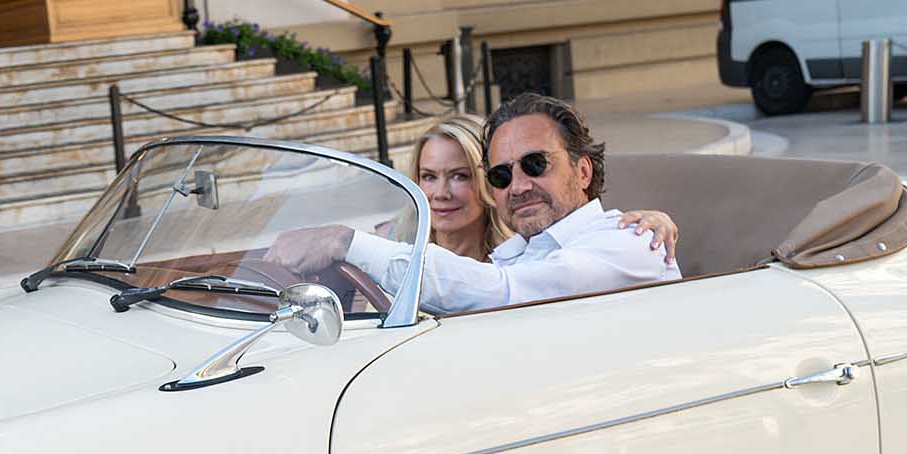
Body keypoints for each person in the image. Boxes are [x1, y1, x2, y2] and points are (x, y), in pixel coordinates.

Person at [269, 94, 681, 313]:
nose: (518, 186)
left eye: (535, 164)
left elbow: (505, 295)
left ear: (583, 171)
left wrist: (347, 242)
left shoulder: (632, 240)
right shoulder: (515, 255)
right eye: (501, 175)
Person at [406, 112, 679, 267]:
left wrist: (652, 223)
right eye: (428, 176)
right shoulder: (397, 245)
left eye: (459, 176)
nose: (441, 193)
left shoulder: (530, 253)